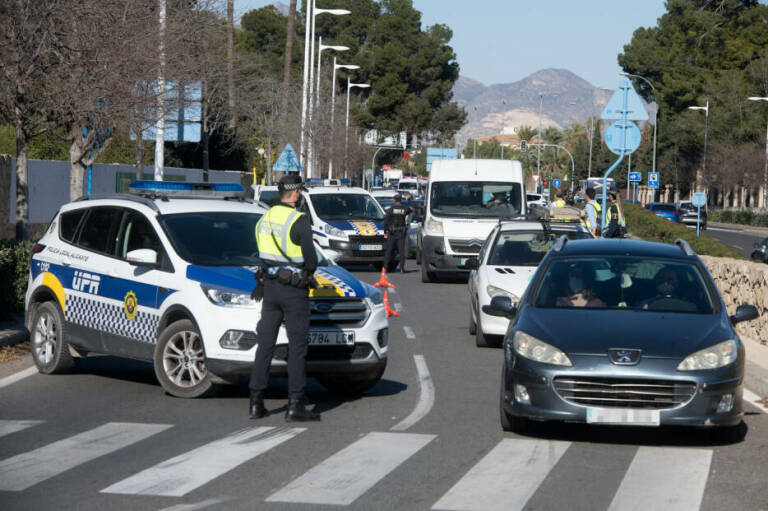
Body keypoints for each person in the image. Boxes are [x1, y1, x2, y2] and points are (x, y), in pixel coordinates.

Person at [249, 174, 320, 422]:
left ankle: (256, 402)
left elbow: (262, 255)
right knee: (297, 348)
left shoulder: (263, 218)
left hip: (269, 288)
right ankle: (295, 406)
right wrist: (308, 274)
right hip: (294, 291)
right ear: (297, 193)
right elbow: (312, 260)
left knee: (265, 345)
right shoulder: (298, 220)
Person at [383, 194, 411, 273]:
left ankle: (385, 268)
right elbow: (412, 208)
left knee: (388, 251)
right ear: (401, 200)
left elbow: (386, 221)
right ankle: (402, 268)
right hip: (401, 233)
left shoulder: (391, 209)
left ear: (394, 200)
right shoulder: (404, 208)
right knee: (401, 251)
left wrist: (385, 232)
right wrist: (409, 200)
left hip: (392, 233)